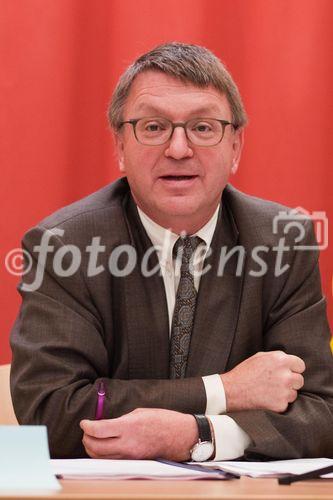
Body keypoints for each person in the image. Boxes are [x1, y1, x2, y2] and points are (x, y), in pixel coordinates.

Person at [10, 42, 333, 461]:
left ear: (235, 147)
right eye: (153, 127)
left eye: (203, 128)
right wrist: (224, 390)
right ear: (120, 147)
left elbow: (321, 411)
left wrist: (200, 435)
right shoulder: (64, 245)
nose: (178, 149)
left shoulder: (284, 241)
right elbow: (50, 412)